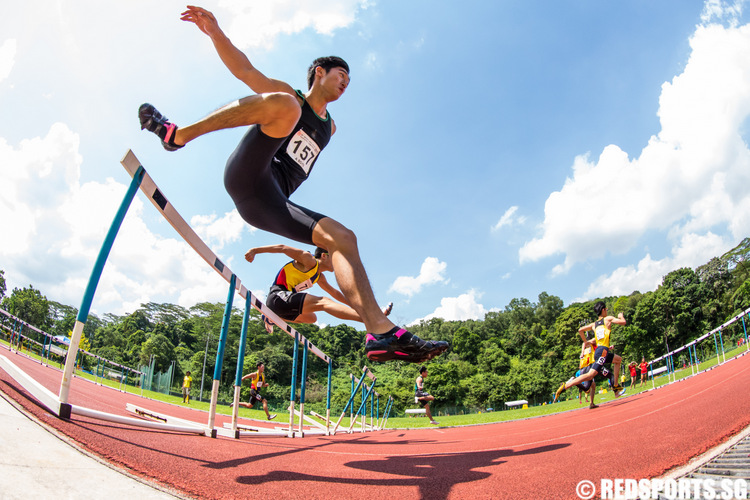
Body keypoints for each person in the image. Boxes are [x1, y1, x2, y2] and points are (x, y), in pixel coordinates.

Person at [139, 5, 447, 365]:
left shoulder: (330, 127)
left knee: (343, 237)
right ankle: (177, 136)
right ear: (319, 72)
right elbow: (245, 70)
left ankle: (380, 333)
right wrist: (217, 33)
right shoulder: (294, 98)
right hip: (249, 174)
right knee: (285, 106)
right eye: (341, 75)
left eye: (349, 80)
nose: (346, 83)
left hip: (270, 201)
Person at [245, 244, 392, 332]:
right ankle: (370, 320)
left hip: (284, 302)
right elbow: (283, 248)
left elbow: (336, 293)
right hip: (277, 296)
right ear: (324, 256)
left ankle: (271, 317)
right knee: (323, 302)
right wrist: (255, 250)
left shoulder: (319, 277)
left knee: (311, 318)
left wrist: (358, 306)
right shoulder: (307, 259)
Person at [554, 301, 626, 402]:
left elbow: (580, 330)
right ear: (603, 310)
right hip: (602, 352)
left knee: (618, 360)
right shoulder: (608, 319)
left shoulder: (594, 325)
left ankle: (616, 388)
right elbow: (623, 322)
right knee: (590, 375)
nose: (607, 311)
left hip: (601, 351)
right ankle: (566, 386)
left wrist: (585, 342)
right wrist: (621, 316)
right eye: (606, 309)